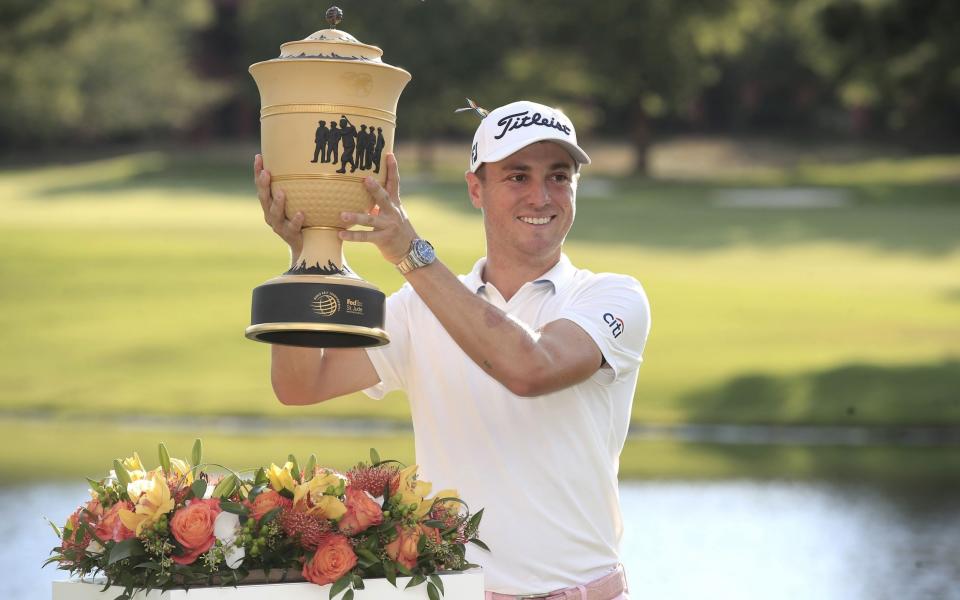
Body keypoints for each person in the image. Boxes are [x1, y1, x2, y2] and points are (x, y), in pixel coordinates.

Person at [254, 100, 650, 600]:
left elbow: (530, 368)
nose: (540, 196)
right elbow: (300, 385)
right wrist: (306, 252)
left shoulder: (611, 296)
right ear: (475, 189)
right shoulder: (419, 308)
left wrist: (409, 253)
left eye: (558, 176)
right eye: (516, 177)